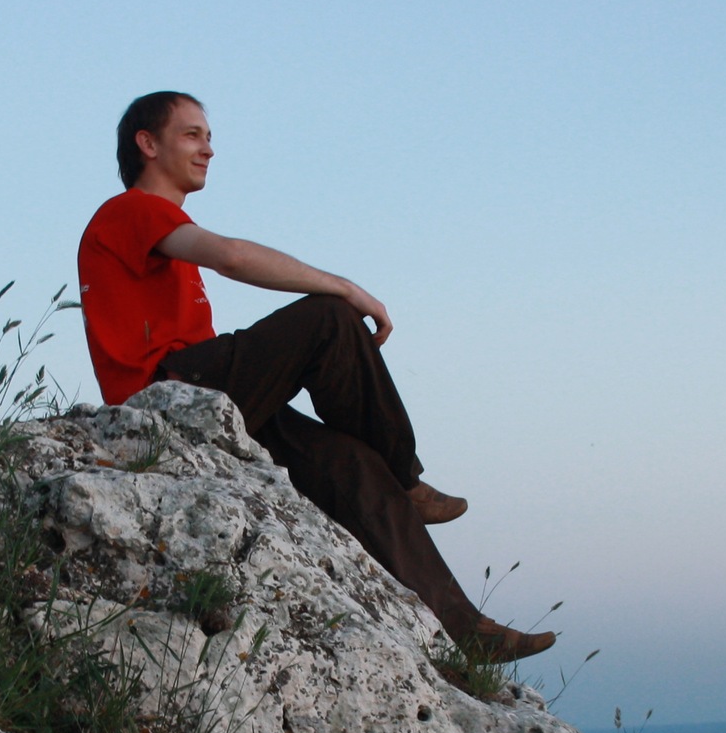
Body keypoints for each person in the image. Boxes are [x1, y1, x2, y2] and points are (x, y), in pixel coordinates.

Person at [76, 90, 554, 663]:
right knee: (329, 317)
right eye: (191, 134)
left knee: (354, 466)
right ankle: (407, 476)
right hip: (166, 395)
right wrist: (346, 288)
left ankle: (465, 632)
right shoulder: (131, 211)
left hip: (202, 396)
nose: (208, 149)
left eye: (209, 136)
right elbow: (231, 256)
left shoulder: (161, 231)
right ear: (147, 144)